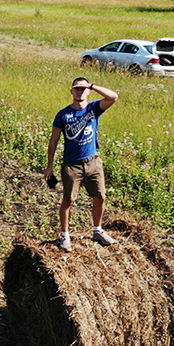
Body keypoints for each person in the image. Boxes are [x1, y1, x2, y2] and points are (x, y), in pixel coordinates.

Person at [43, 77, 119, 252]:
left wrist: (91, 85)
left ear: (88, 91)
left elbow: (113, 97)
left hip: (93, 162)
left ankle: (97, 230)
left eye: (83, 88)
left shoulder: (94, 108)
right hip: (72, 165)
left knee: (100, 197)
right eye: (77, 88)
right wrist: (50, 166)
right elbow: (53, 141)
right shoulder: (63, 115)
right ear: (71, 91)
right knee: (68, 201)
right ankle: (65, 235)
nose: (80, 91)